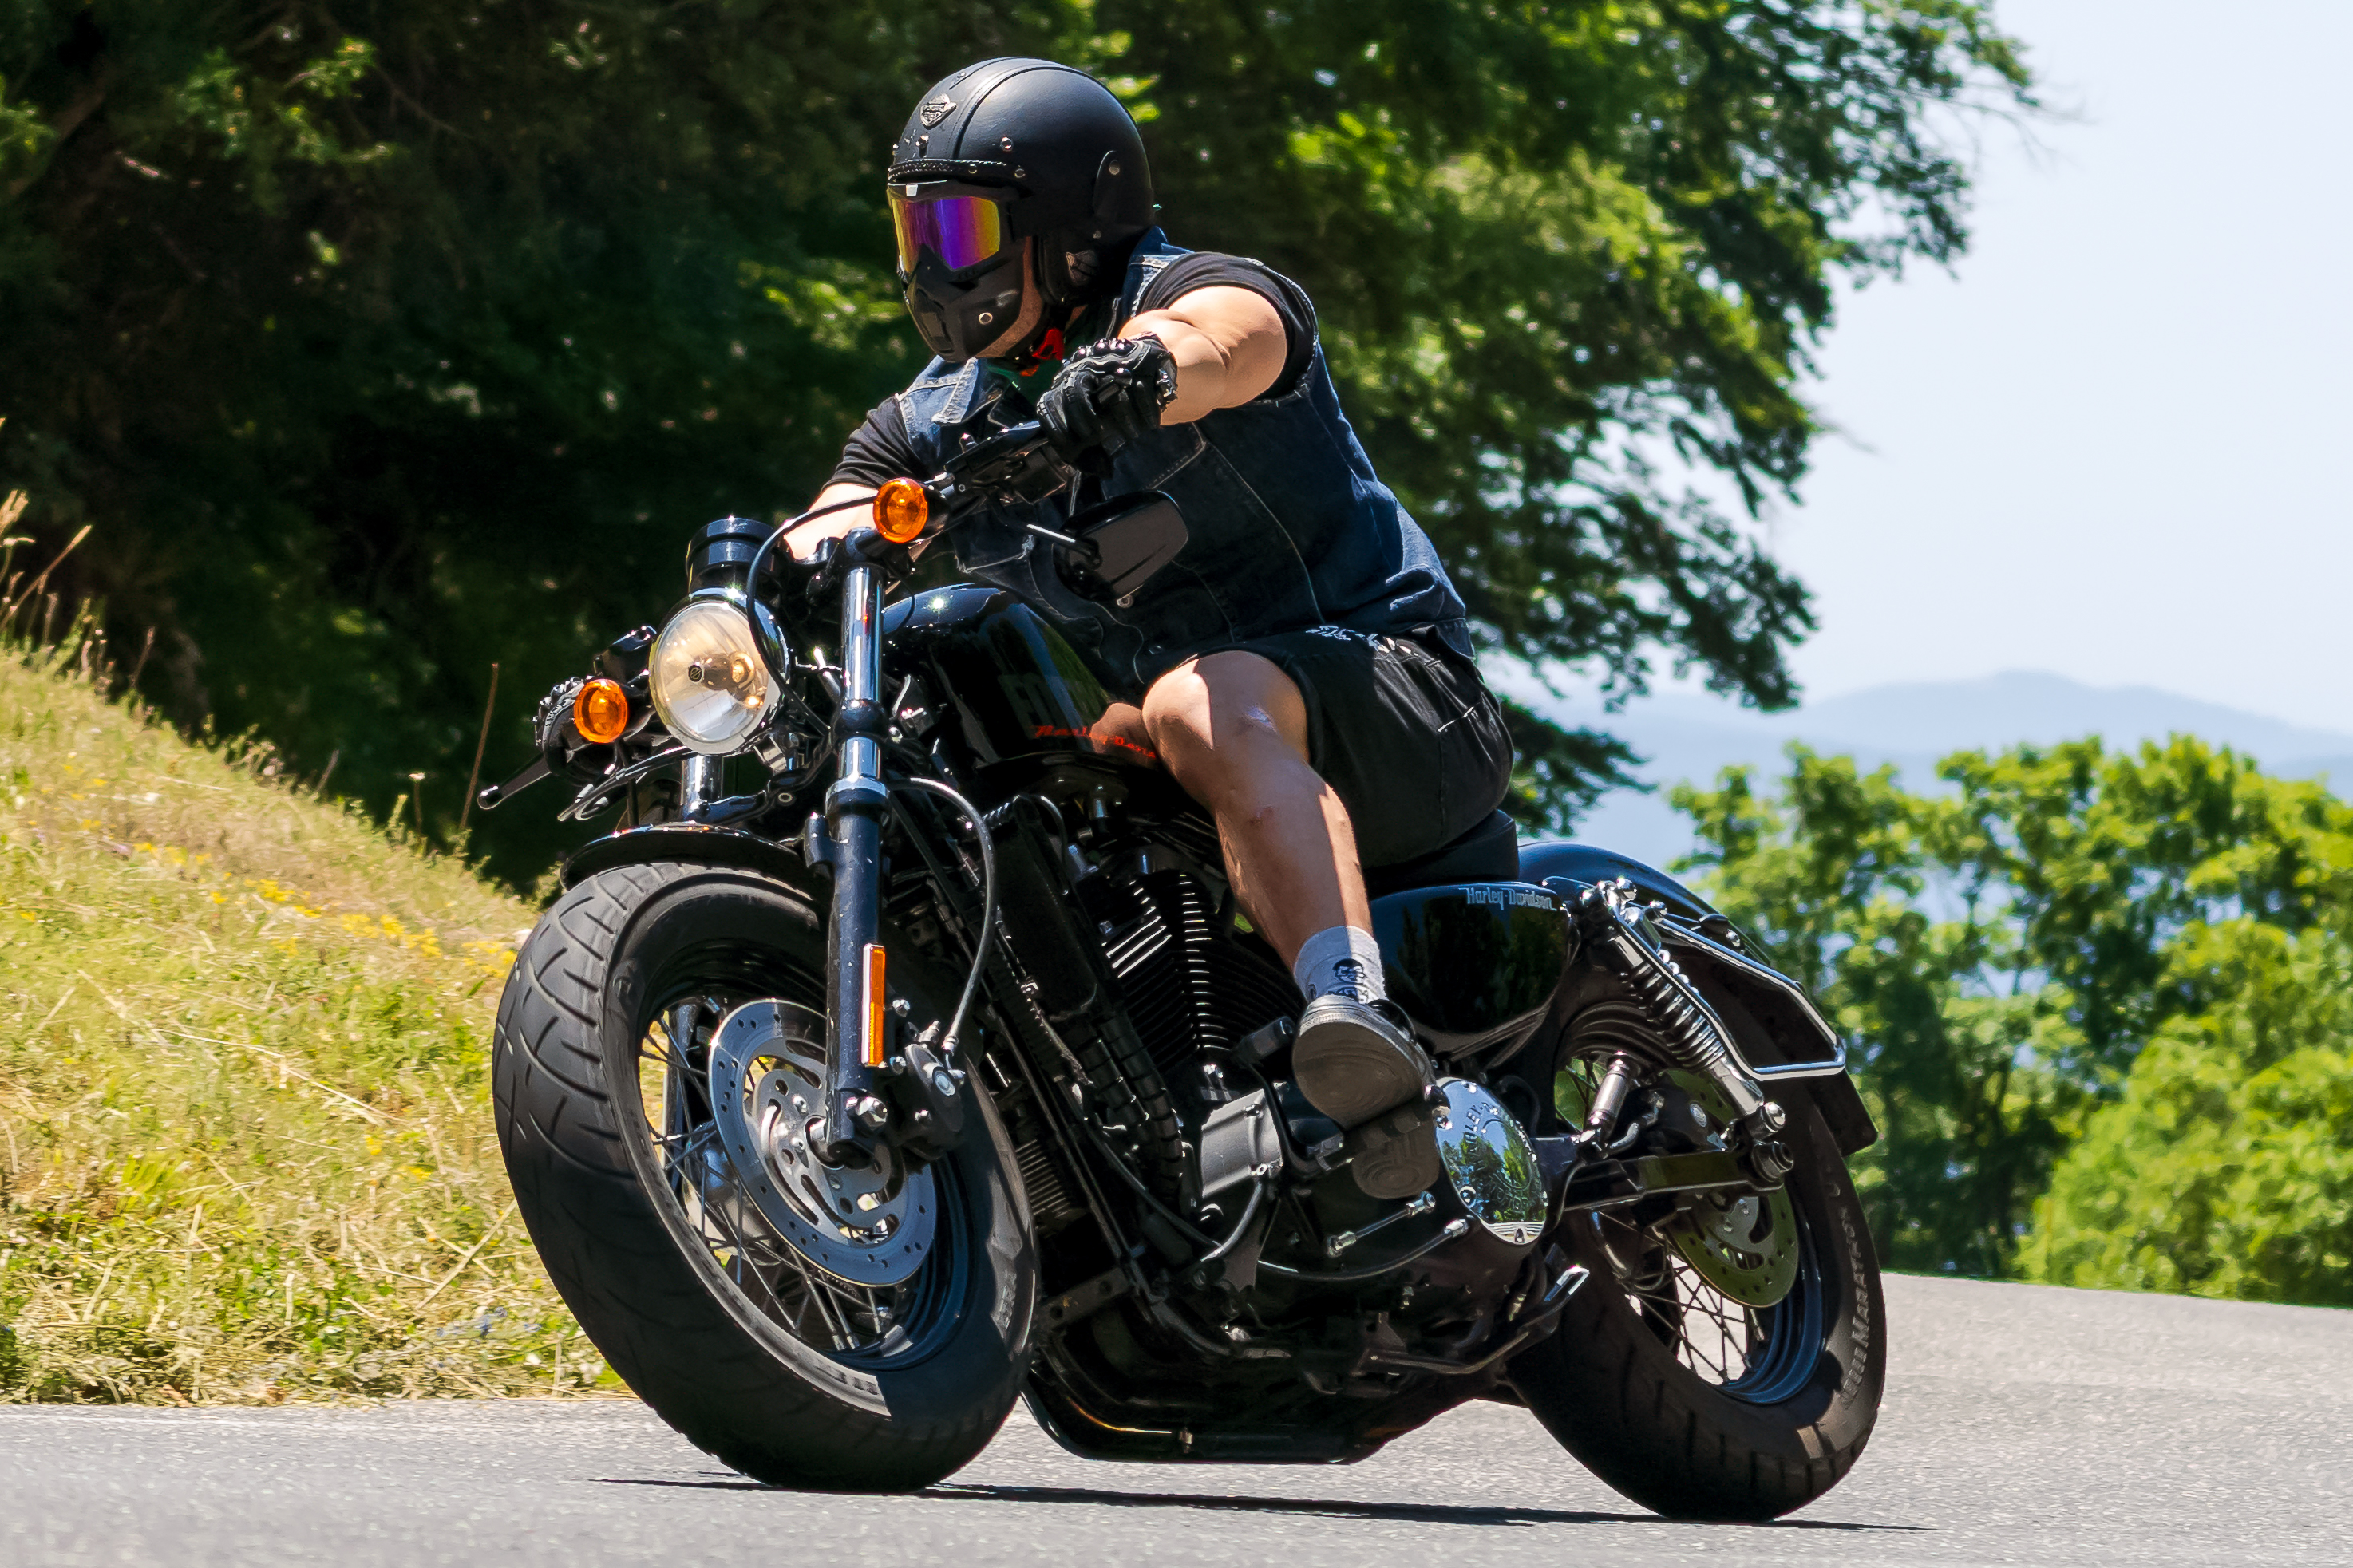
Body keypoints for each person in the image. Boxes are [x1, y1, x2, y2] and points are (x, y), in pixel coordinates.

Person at [797, 57, 1513, 1151]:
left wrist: (1143, 371)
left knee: (1194, 699)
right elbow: (831, 523)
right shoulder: (930, 424)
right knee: (960, 733)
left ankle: (1356, 1025)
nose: (931, 266)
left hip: (1400, 705)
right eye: (915, 231)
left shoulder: (1195, 293)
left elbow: (1227, 338)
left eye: (958, 230)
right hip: (1188, 769)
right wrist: (733, 624)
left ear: (1066, 230)